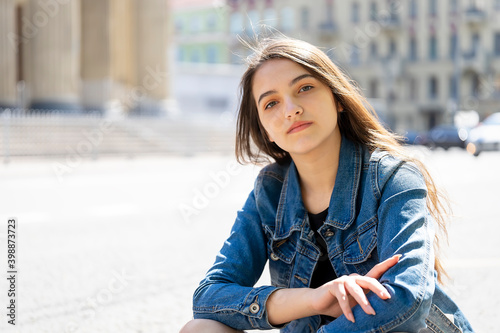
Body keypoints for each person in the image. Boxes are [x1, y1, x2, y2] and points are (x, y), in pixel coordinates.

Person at [180, 37, 474, 332]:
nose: (291, 109)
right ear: (265, 130)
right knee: (200, 328)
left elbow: (407, 300)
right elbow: (209, 297)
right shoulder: (269, 190)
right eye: (271, 103)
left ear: (337, 99)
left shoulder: (393, 177)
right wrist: (313, 299)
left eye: (304, 88)